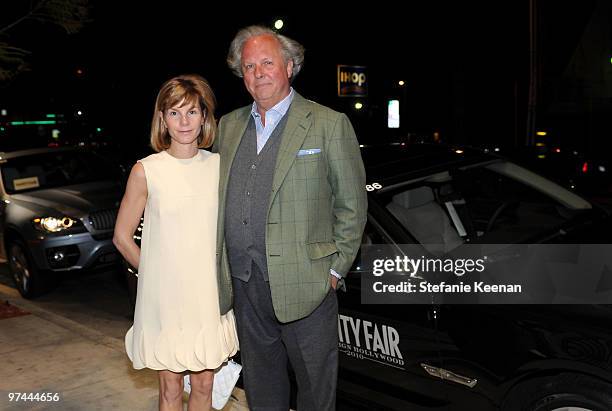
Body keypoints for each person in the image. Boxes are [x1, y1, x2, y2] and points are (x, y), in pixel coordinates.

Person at [215, 26, 367, 410]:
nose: (258, 72)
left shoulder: (329, 124)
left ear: (289, 66)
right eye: (249, 66)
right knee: (262, 390)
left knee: (316, 391)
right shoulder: (228, 126)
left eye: (267, 62)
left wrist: (334, 271)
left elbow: (352, 205)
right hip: (245, 286)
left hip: (308, 286)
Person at [114, 74, 238, 411]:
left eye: (192, 112)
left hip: (209, 296)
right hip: (165, 300)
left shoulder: (220, 167)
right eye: (174, 112)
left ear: (205, 117)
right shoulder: (146, 171)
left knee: (205, 384)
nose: (184, 121)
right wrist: (154, 275)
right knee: (169, 389)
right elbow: (122, 237)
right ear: (162, 119)